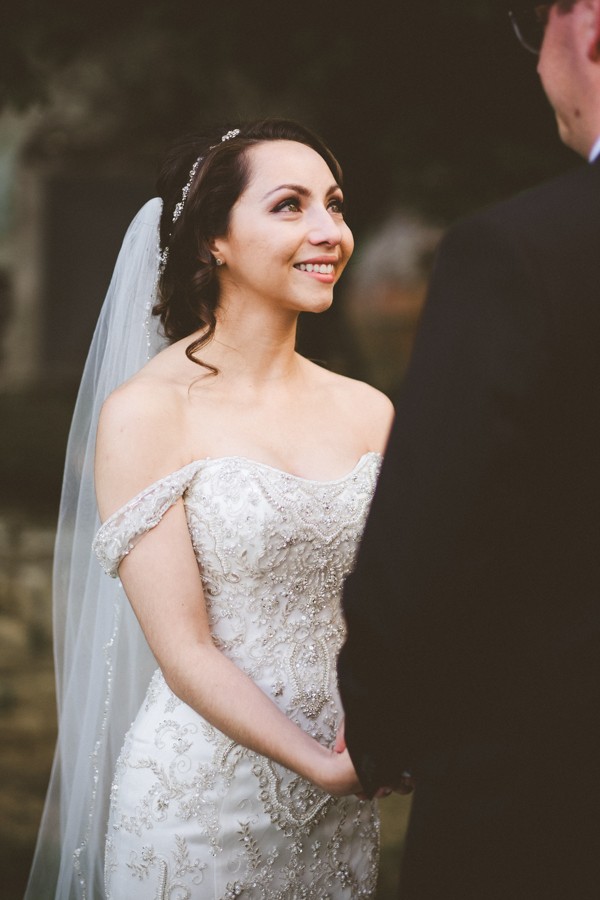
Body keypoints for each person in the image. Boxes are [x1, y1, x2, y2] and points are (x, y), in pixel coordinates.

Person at [25, 119, 394, 899]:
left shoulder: (371, 412)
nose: (329, 231)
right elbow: (185, 650)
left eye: (335, 204)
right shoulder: (148, 413)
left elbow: (400, 600)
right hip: (201, 812)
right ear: (212, 242)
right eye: (290, 206)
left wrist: (389, 727)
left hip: (342, 801)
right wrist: (321, 763)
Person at [337, 2, 600, 897]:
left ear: (591, 28)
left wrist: (379, 723)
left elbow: (429, 539)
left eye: (540, 29)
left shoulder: (521, 254)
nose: (535, 69)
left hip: (548, 796)